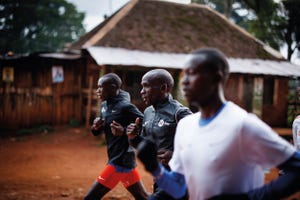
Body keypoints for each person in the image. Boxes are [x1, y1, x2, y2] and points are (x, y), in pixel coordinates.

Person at [136, 48, 300, 200]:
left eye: (192, 74)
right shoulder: (186, 126)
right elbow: (179, 188)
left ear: (216, 78)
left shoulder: (243, 125)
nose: (184, 81)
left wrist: (251, 198)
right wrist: (154, 167)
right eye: (183, 75)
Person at [126, 69, 192, 200]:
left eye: (146, 86)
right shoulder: (147, 112)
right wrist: (133, 136)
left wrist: (174, 156)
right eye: (142, 86)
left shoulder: (180, 113)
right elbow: (144, 145)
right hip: (159, 176)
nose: (141, 91)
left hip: (179, 178)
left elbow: (201, 146)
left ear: (163, 88)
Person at [84, 73, 149, 200]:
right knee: (143, 197)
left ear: (113, 88)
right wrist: (95, 128)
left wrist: (124, 131)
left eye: (100, 87)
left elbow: (145, 124)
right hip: (120, 159)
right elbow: (100, 130)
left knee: (90, 198)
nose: (97, 91)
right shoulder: (104, 105)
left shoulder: (125, 107)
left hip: (120, 160)